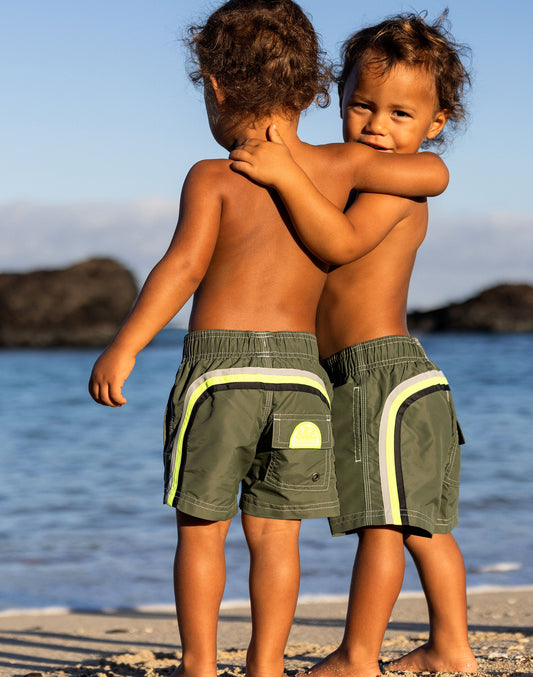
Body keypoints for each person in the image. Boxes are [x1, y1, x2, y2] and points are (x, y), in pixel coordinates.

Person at [88, 3, 449, 676]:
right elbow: (429, 174)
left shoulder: (212, 175)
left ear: (215, 88)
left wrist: (127, 344)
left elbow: (182, 267)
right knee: (276, 534)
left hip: (219, 371)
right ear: (318, 90)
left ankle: (200, 665)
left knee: (202, 528)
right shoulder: (339, 168)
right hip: (302, 380)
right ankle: (265, 665)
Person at [228, 11, 477, 677]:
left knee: (382, 522)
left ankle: (356, 654)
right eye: (362, 105)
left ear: (436, 122)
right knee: (421, 522)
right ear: (336, 99)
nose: (375, 125)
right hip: (365, 374)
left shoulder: (402, 176)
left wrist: (285, 174)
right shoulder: (348, 174)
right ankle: (451, 644)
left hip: (380, 373)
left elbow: (336, 243)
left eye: (400, 113)